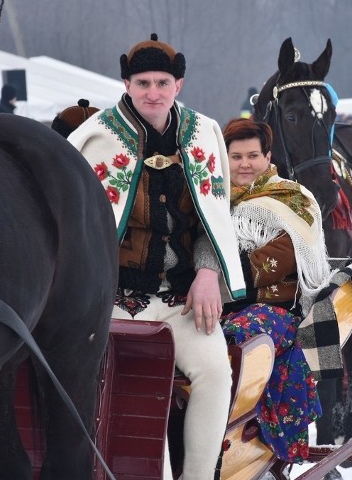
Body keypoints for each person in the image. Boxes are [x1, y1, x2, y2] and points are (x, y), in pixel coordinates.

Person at [68, 33, 246, 480]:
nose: (153, 93)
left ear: (179, 85)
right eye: (142, 82)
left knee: (215, 374)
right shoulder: (93, 139)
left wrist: (208, 273)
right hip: (109, 300)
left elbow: (213, 219)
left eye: (162, 83)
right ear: (125, 83)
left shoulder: (204, 135)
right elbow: (73, 232)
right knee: (130, 388)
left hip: (179, 300)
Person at [221, 117, 329, 464]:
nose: (245, 164)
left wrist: (218, 278)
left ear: (268, 157)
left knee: (232, 337)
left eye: (253, 155)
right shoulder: (214, 199)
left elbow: (272, 263)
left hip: (277, 309)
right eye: (236, 157)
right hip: (225, 300)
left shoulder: (292, 199)